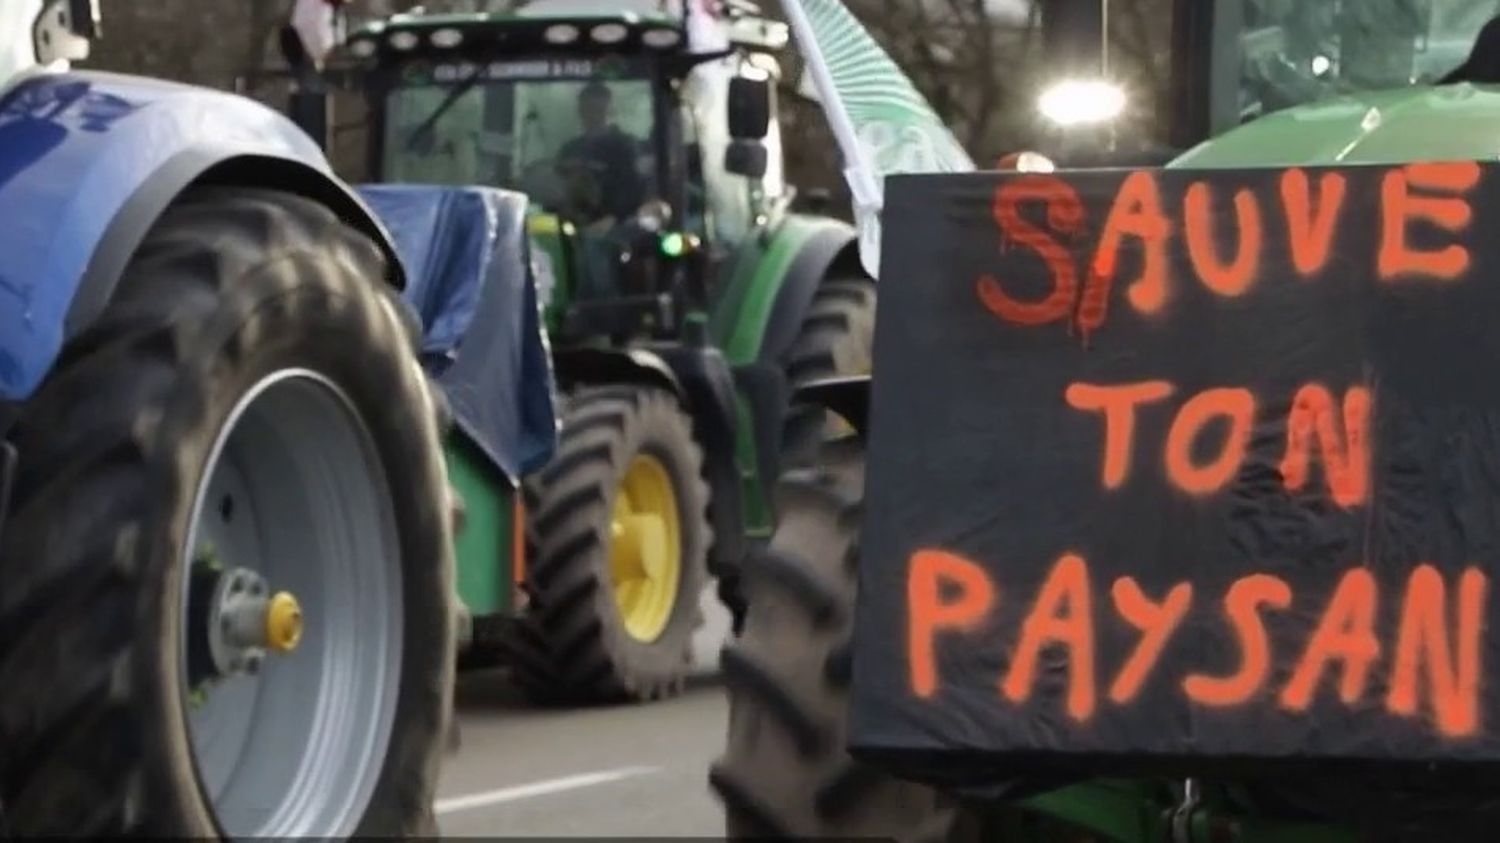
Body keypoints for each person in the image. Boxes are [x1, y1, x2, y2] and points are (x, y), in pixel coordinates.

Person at [556, 80, 646, 226]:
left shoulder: (624, 147)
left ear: (609, 111)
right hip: (569, 224)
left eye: (598, 110)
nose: (593, 115)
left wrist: (612, 219)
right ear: (580, 111)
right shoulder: (569, 149)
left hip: (612, 228)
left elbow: (633, 191)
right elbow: (556, 186)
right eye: (587, 109)